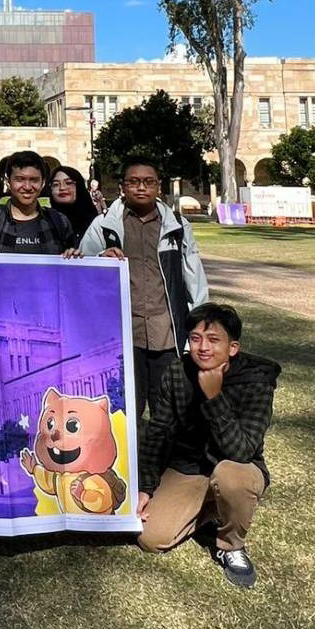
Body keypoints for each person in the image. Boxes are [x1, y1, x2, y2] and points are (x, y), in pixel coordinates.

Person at [137, 303, 280, 589]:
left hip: (236, 466)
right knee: (150, 538)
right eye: (195, 338)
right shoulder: (177, 373)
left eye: (214, 340)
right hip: (188, 468)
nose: (202, 347)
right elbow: (158, 432)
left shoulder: (256, 380)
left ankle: (231, 545)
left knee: (230, 477)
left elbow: (241, 452)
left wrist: (214, 399)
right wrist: (146, 487)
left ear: (233, 347)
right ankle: (213, 509)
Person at [80, 159, 208, 428]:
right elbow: (83, 269)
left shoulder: (177, 227)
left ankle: (163, 467)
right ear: (123, 187)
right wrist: (102, 257)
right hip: (124, 336)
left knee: (168, 410)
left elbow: (194, 277)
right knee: (126, 410)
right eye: (133, 182)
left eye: (148, 182)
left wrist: (198, 328)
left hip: (167, 332)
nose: (141, 188)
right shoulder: (104, 225)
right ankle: (133, 468)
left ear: (158, 186)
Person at [0, 151, 80, 257]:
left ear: (43, 183)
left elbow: (70, 269)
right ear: (8, 182)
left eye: (34, 180)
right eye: (20, 180)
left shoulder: (59, 221)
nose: (27, 187)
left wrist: (73, 256)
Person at [49, 165, 99, 244]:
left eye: (68, 183)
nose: (62, 188)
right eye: (55, 184)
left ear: (79, 187)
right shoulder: (44, 221)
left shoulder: (96, 223)